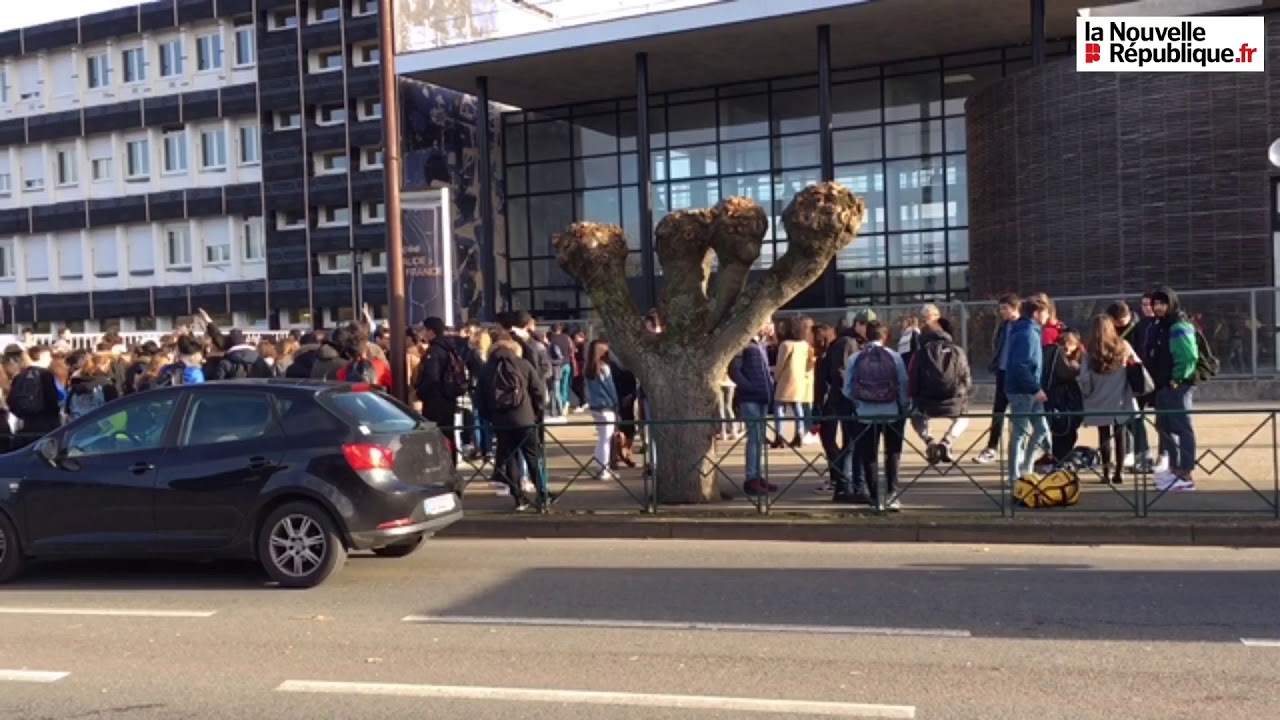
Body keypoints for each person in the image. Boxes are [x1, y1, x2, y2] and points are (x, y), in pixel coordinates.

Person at [474, 331, 547, 511]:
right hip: (525, 417)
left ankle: (518, 498)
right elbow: (539, 392)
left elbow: (479, 399)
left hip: (500, 420)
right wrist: (536, 413)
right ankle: (542, 495)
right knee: (533, 456)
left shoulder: (486, 369)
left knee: (510, 457)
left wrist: (490, 417)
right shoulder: (524, 365)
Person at [842, 320, 910, 511]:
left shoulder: (856, 358)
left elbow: (847, 389)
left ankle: (874, 498)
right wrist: (903, 406)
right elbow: (904, 384)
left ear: (866, 336)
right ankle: (892, 495)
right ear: (885, 337)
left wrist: (859, 403)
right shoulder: (895, 357)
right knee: (892, 453)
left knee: (869, 455)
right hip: (892, 412)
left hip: (865, 413)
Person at [1147, 286, 1199, 492]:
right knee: (1165, 427)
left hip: (1175, 385)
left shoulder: (1178, 325)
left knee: (1181, 427)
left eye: (1162, 303)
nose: (1158, 308)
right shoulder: (1162, 325)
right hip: (1163, 385)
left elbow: (1188, 356)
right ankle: (1174, 470)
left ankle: (1185, 473)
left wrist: (1177, 379)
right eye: (1156, 304)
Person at [1079, 314, 1138, 485]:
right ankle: (1119, 472)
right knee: (1120, 434)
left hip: (1098, 398)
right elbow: (1136, 363)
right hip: (1119, 397)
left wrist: (1087, 392)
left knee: (1104, 435)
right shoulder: (1123, 346)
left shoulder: (1089, 352)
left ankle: (1106, 472)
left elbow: (1084, 378)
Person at [909, 316, 971, 464]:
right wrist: (962, 395)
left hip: (926, 402)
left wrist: (914, 396)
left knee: (916, 417)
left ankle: (929, 440)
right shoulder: (957, 350)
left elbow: (912, 377)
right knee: (964, 418)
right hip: (953, 400)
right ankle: (947, 441)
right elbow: (966, 377)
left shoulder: (920, 353)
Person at [1005, 296, 1052, 485]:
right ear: (1037, 313)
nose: (1048, 316)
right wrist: (1035, 388)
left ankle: (1026, 465)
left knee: (1041, 429)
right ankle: (1014, 474)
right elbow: (1021, 365)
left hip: (1028, 388)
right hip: (1022, 390)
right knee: (1019, 432)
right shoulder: (1027, 333)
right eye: (1046, 312)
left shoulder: (1027, 331)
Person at [728, 325, 776, 497]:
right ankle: (751, 478)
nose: (769, 327)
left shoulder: (759, 345)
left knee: (759, 438)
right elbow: (734, 370)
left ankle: (757, 474)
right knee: (754, 438)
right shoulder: (744, 344)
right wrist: (749, 387)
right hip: (751, 397)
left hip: (761, 396)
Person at [975, 294, 1020, 464]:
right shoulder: (1004, 326)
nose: (1002, 312)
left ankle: (1022, 451)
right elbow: (999, 346)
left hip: (1016, 375)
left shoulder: (1023, 327)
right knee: (998, 411)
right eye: (1000, 308)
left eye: (1005, 308)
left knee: (1022, 415)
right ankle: (992, 447)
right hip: (1002, 373)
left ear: (1014, 308)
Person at [416, 317, 464, 465]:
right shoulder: (451, 348)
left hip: (435, 401)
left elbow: (432, 377)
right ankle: (451, 465)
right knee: (448, 435)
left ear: (431, 331)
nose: (422, 334)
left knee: (432, 436)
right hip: (450, 398)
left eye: (424, 330)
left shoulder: (435, 351)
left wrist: (420, 393)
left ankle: (437, 467)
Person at [1041, 331, 1084, 466]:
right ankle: (1059, 460)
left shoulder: (1049, 352)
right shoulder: (1058, 354)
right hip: (1063, 399)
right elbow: (1065, 373)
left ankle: (1058, 459)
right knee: (1064, 431)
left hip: (1057, 399)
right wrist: (1077, 368)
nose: (1067, 349)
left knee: (1061, 431)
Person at [584, 339, 619, 481]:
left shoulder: (589, 367)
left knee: (601, 439)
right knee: (605, 439)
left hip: (595, 406)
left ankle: (601, 468)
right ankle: (604, 469)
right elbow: (611, 388)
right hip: (606, 406)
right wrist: (616, 402)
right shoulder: (604, 368)